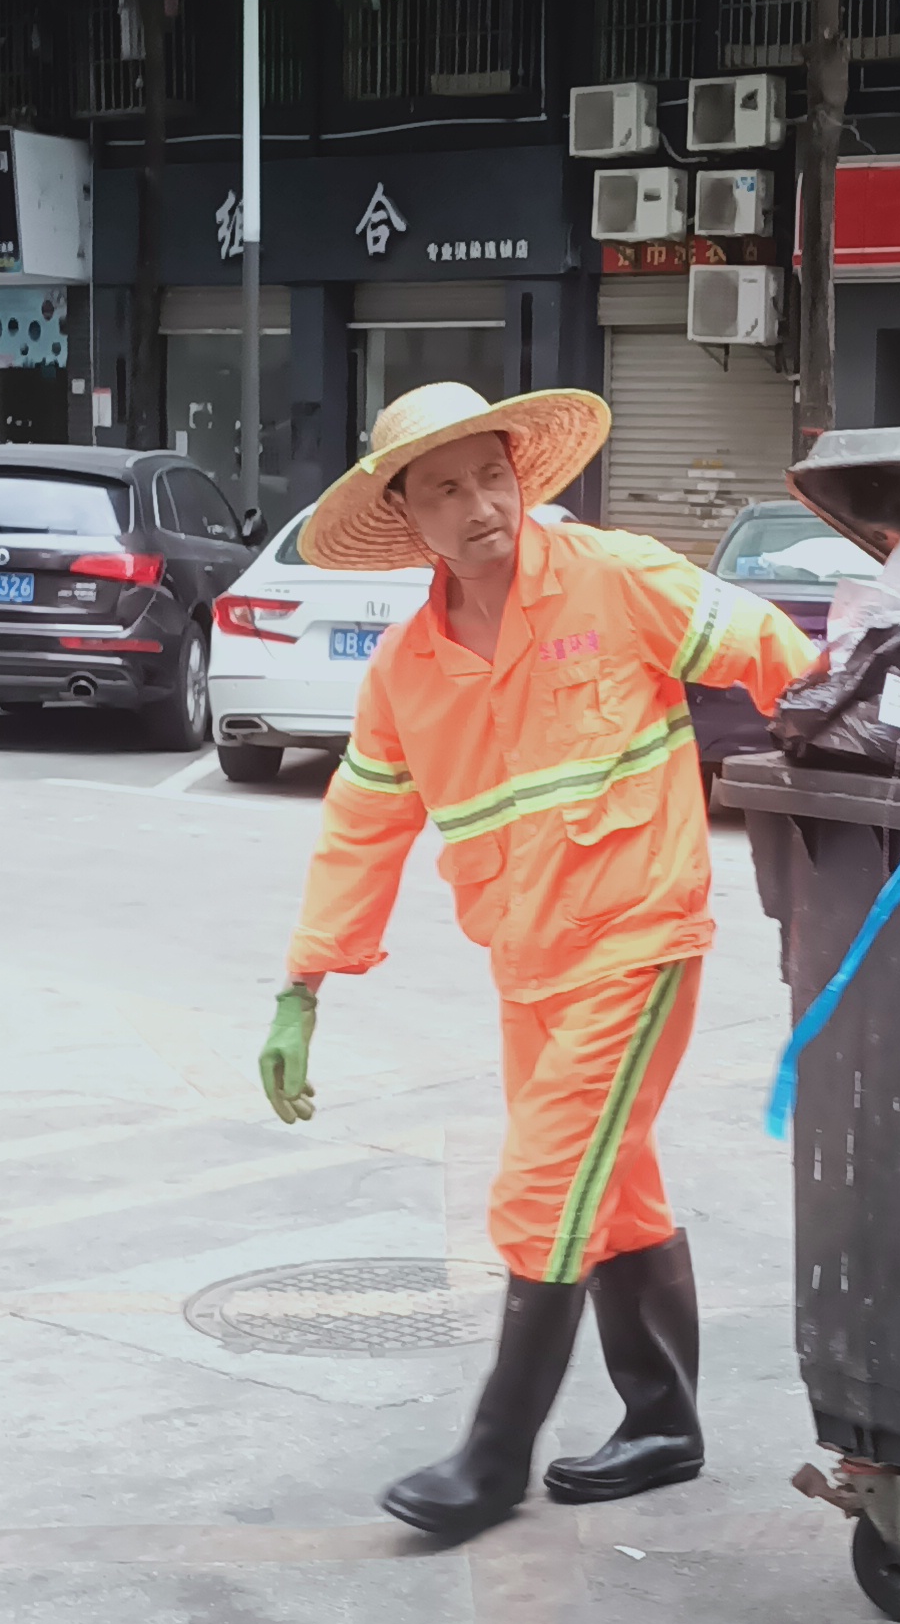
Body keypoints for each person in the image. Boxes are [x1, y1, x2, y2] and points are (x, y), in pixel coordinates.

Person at [255, 379, 815, 1544]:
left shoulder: (615, 577)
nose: (479, 506)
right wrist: (303, 982)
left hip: (640, 933)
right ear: (410, 518)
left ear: (524, 476)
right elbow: (364, 825)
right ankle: (665, 1423)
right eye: (445, 489)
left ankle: (492, 1458)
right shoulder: (406, 669)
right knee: (612, 1185)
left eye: (491, 476)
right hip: (527, 962)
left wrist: (851, 760)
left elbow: (775, 656)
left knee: (546, 1186)